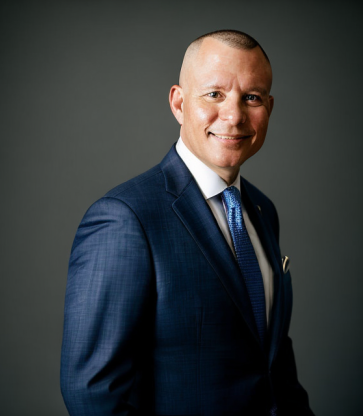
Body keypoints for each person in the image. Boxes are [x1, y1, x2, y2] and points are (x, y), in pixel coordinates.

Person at [60, 30, 314, 416]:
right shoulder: (125, 219)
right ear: (179, 103)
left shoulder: (263, 210)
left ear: (269, 107)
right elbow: (93, 393)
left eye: (252, 97)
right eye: (214, 94)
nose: (234, 116)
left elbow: (271, 363)